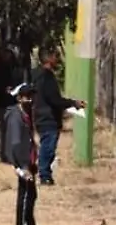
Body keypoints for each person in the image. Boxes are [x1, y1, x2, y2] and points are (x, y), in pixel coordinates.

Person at [31, 46, 85, 185]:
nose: (58, 59)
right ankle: (44, 175)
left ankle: (45, 173)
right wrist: (73, 103)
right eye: (55, 55)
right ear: (49, 58)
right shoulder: (46, 77)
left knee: (48, 147)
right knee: (47, 148)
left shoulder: (37, 75)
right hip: (48, 117)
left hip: (41, 116)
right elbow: (54, 99)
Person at [2, 83, 39, 225]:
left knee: (31, 194)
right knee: (25, 194)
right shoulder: (16, 117)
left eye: (32, 97)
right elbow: (16, 143)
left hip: (29, 159)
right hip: (22, 161)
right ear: (19, 98)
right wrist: (23, 166)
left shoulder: (26, 114)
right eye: (27, 97)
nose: (30, 100)